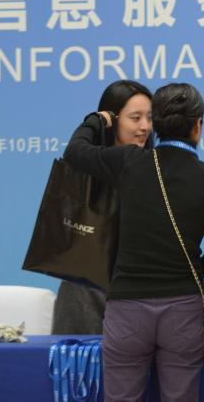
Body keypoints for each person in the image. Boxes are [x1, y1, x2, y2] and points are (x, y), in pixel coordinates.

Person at [63, 82, 204, 402]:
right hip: (183, 309)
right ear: (198, 125)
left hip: (127, 307)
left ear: (156, 124)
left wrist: (98, 119)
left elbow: (75, 152)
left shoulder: (129, 161)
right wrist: (196, 269)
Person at [52, 79, 153, 335]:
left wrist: (95, 120)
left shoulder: (154, 166)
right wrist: (98, 120)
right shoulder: (92, 163)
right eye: (135, 118)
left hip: (137, 292)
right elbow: (74, 153)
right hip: (86, 287)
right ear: (113, 119)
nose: (145, 126)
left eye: (150, 118)